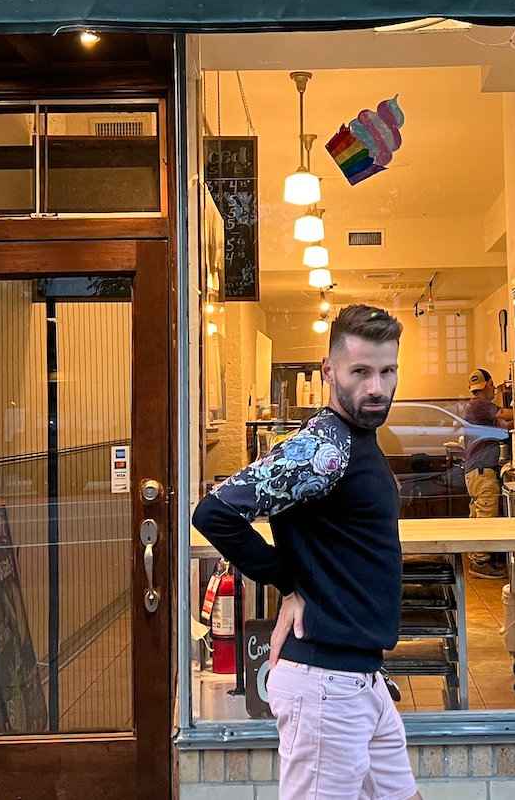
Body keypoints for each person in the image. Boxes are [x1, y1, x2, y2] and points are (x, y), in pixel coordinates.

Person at [193, 304, 422, 800]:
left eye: (387, 370)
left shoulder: (358, 441)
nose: (376, 387)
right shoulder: (325, 448)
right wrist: (289, 583)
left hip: (359, 676)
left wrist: (299, 581)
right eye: (360, 371)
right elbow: (214, 513)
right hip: (326, 685)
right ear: (329, 371)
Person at [463, 368, 513, 578]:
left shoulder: (477, 408)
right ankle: (480, 562)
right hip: (482, 471)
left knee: (478, 514)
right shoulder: (480, 405)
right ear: (489, 384)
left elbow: (504, 423)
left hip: (476, 470)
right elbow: (505, 415)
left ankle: (477, 557)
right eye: (493, 386)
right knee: (486, 514)